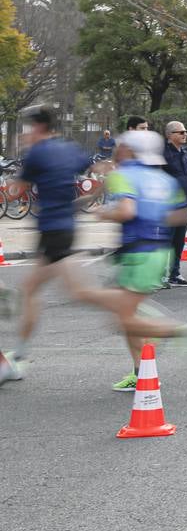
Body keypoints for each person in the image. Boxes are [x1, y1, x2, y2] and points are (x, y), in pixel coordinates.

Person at [92, 130, 187, 390]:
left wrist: (104, 213)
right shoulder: (163, 179)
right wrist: (153, 217)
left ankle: (180, 332)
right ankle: (140, 371)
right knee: (127, 314)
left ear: (129, 150)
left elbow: (126, 210)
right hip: (158, 251)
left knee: (123, 318)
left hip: (138, 253)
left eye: (121, 145)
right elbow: (179, 215)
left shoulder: (123, 175)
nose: (117, 148)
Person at [10, 107, 97, 376]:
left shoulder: (37, 153)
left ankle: (129, 308)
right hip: (60, 228)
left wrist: (17, 180)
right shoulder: (69, 148)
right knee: (30, 289)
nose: (26, 134)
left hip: (54, 229)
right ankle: (20, 355)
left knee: (78, 292)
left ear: (37, 127)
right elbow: (97, 171)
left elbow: (16, 193)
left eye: (27, 129)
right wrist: (82, 201)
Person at [160, 120, 187, 288]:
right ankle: (160, 275)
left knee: (179, 241)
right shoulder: (163, 154)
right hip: (169, 205)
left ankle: (175, 273)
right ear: (170, 135)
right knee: (166, 240)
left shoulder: (186, 151)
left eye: (185, 131)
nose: (185, 134)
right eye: (181, 132)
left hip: (185, 203)